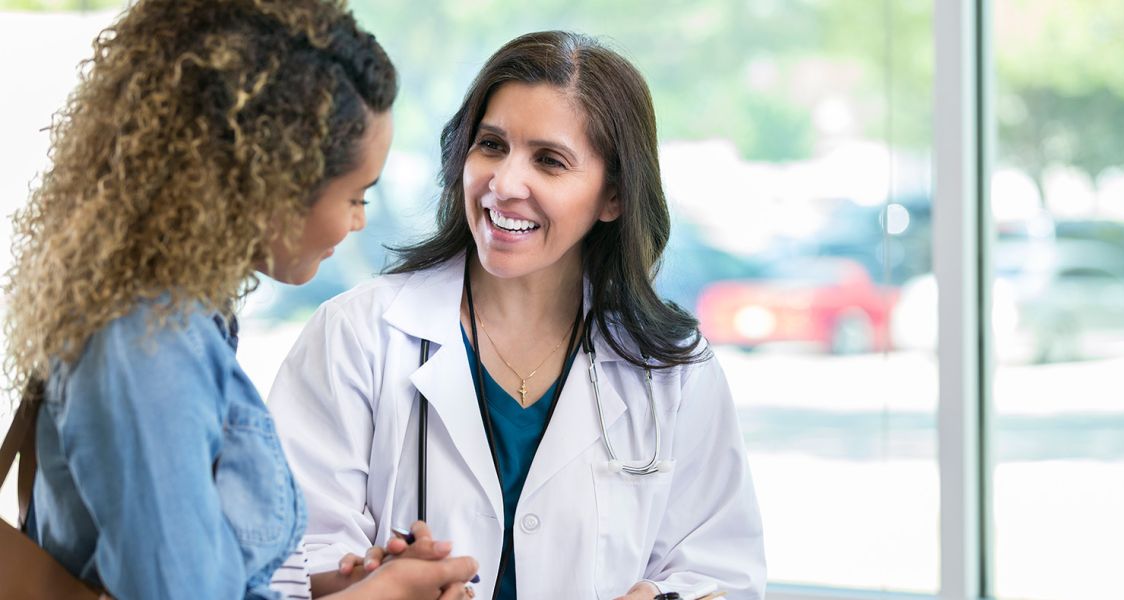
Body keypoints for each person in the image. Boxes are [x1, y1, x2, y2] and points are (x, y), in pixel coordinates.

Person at [2, 0, 478, 598]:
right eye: (356, 196)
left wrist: (341, 585)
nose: (359, 222)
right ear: (270, 185)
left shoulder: (182, 318)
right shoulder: (146, 349)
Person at [268, 30, 766, 599]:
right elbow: (288, 558)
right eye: (492, 145)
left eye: (549, 162)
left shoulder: (674, 369)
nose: (504, 184)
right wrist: (379, 582)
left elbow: (722, 574)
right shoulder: (356, 336)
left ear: (614, 197)